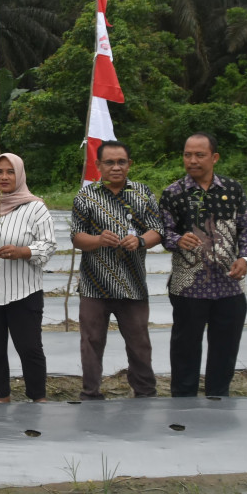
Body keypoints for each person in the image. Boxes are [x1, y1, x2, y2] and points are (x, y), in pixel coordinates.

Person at [159, 132, 247, 397]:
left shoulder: (233, 190)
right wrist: (178, 239)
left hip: (229, 286)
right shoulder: (173, 194)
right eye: (187, 154)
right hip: (189, 287)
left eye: (199, 155)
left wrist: (245, 258)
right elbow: (162, 233)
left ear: (214, 157)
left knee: (225, 350)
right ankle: (183, 402)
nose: (192, 160)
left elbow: (246, 229)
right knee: (185, 349)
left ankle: (218, 399)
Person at [70, 140, 163, 400]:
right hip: (94, 284)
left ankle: (145, 392)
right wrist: (98, 240)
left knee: (139, 343)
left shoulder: (143, 193)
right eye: (109, 162)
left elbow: (158, 230)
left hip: (132, 284)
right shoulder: (86, 197)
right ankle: (90, 393)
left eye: (121, 162)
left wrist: (141, 240)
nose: (116, 167)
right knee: (91, 343)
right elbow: (77, 238)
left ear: (129, 164)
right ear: (97, 165)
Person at [0, 153, 56, 403]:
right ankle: (2, 395)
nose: (4, 177)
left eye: (10, 171)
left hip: (23, 291)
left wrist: (23, 252)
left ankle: (38, 397)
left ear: (20, 174)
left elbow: (48, 245)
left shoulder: (35, 208)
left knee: (29, 348)